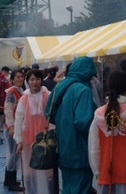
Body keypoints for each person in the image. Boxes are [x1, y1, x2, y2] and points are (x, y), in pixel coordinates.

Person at [46, 56, 97, 194]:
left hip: (63, 146)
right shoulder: (83, 90)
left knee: (68, 186)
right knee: (80, 187)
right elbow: (83, 122)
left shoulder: (60, 87)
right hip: (80, 150)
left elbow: (49, 114)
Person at [14, 69, 54, 194]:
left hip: (46, 138)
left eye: (37, 79)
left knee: (47, 169)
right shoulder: (23, 99)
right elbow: (19, 120)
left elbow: (53, 116)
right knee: (30, 169)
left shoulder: (48, 96)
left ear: (41, 80)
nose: (35, 82)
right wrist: (19, 141)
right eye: (31, 79)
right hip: (29, 140)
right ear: (28, 81)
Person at [4, 69, 26, 191]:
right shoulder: (12, 92)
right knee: (14, 154)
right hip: (12, 128)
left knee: (12, 154)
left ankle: (8, 179)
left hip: (16, 126)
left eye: (22, 76)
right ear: (12, 80)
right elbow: (8, 110)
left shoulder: (19, 91)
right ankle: (12, 182)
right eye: (17, 77)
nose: (20, 79)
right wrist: (11, 127)